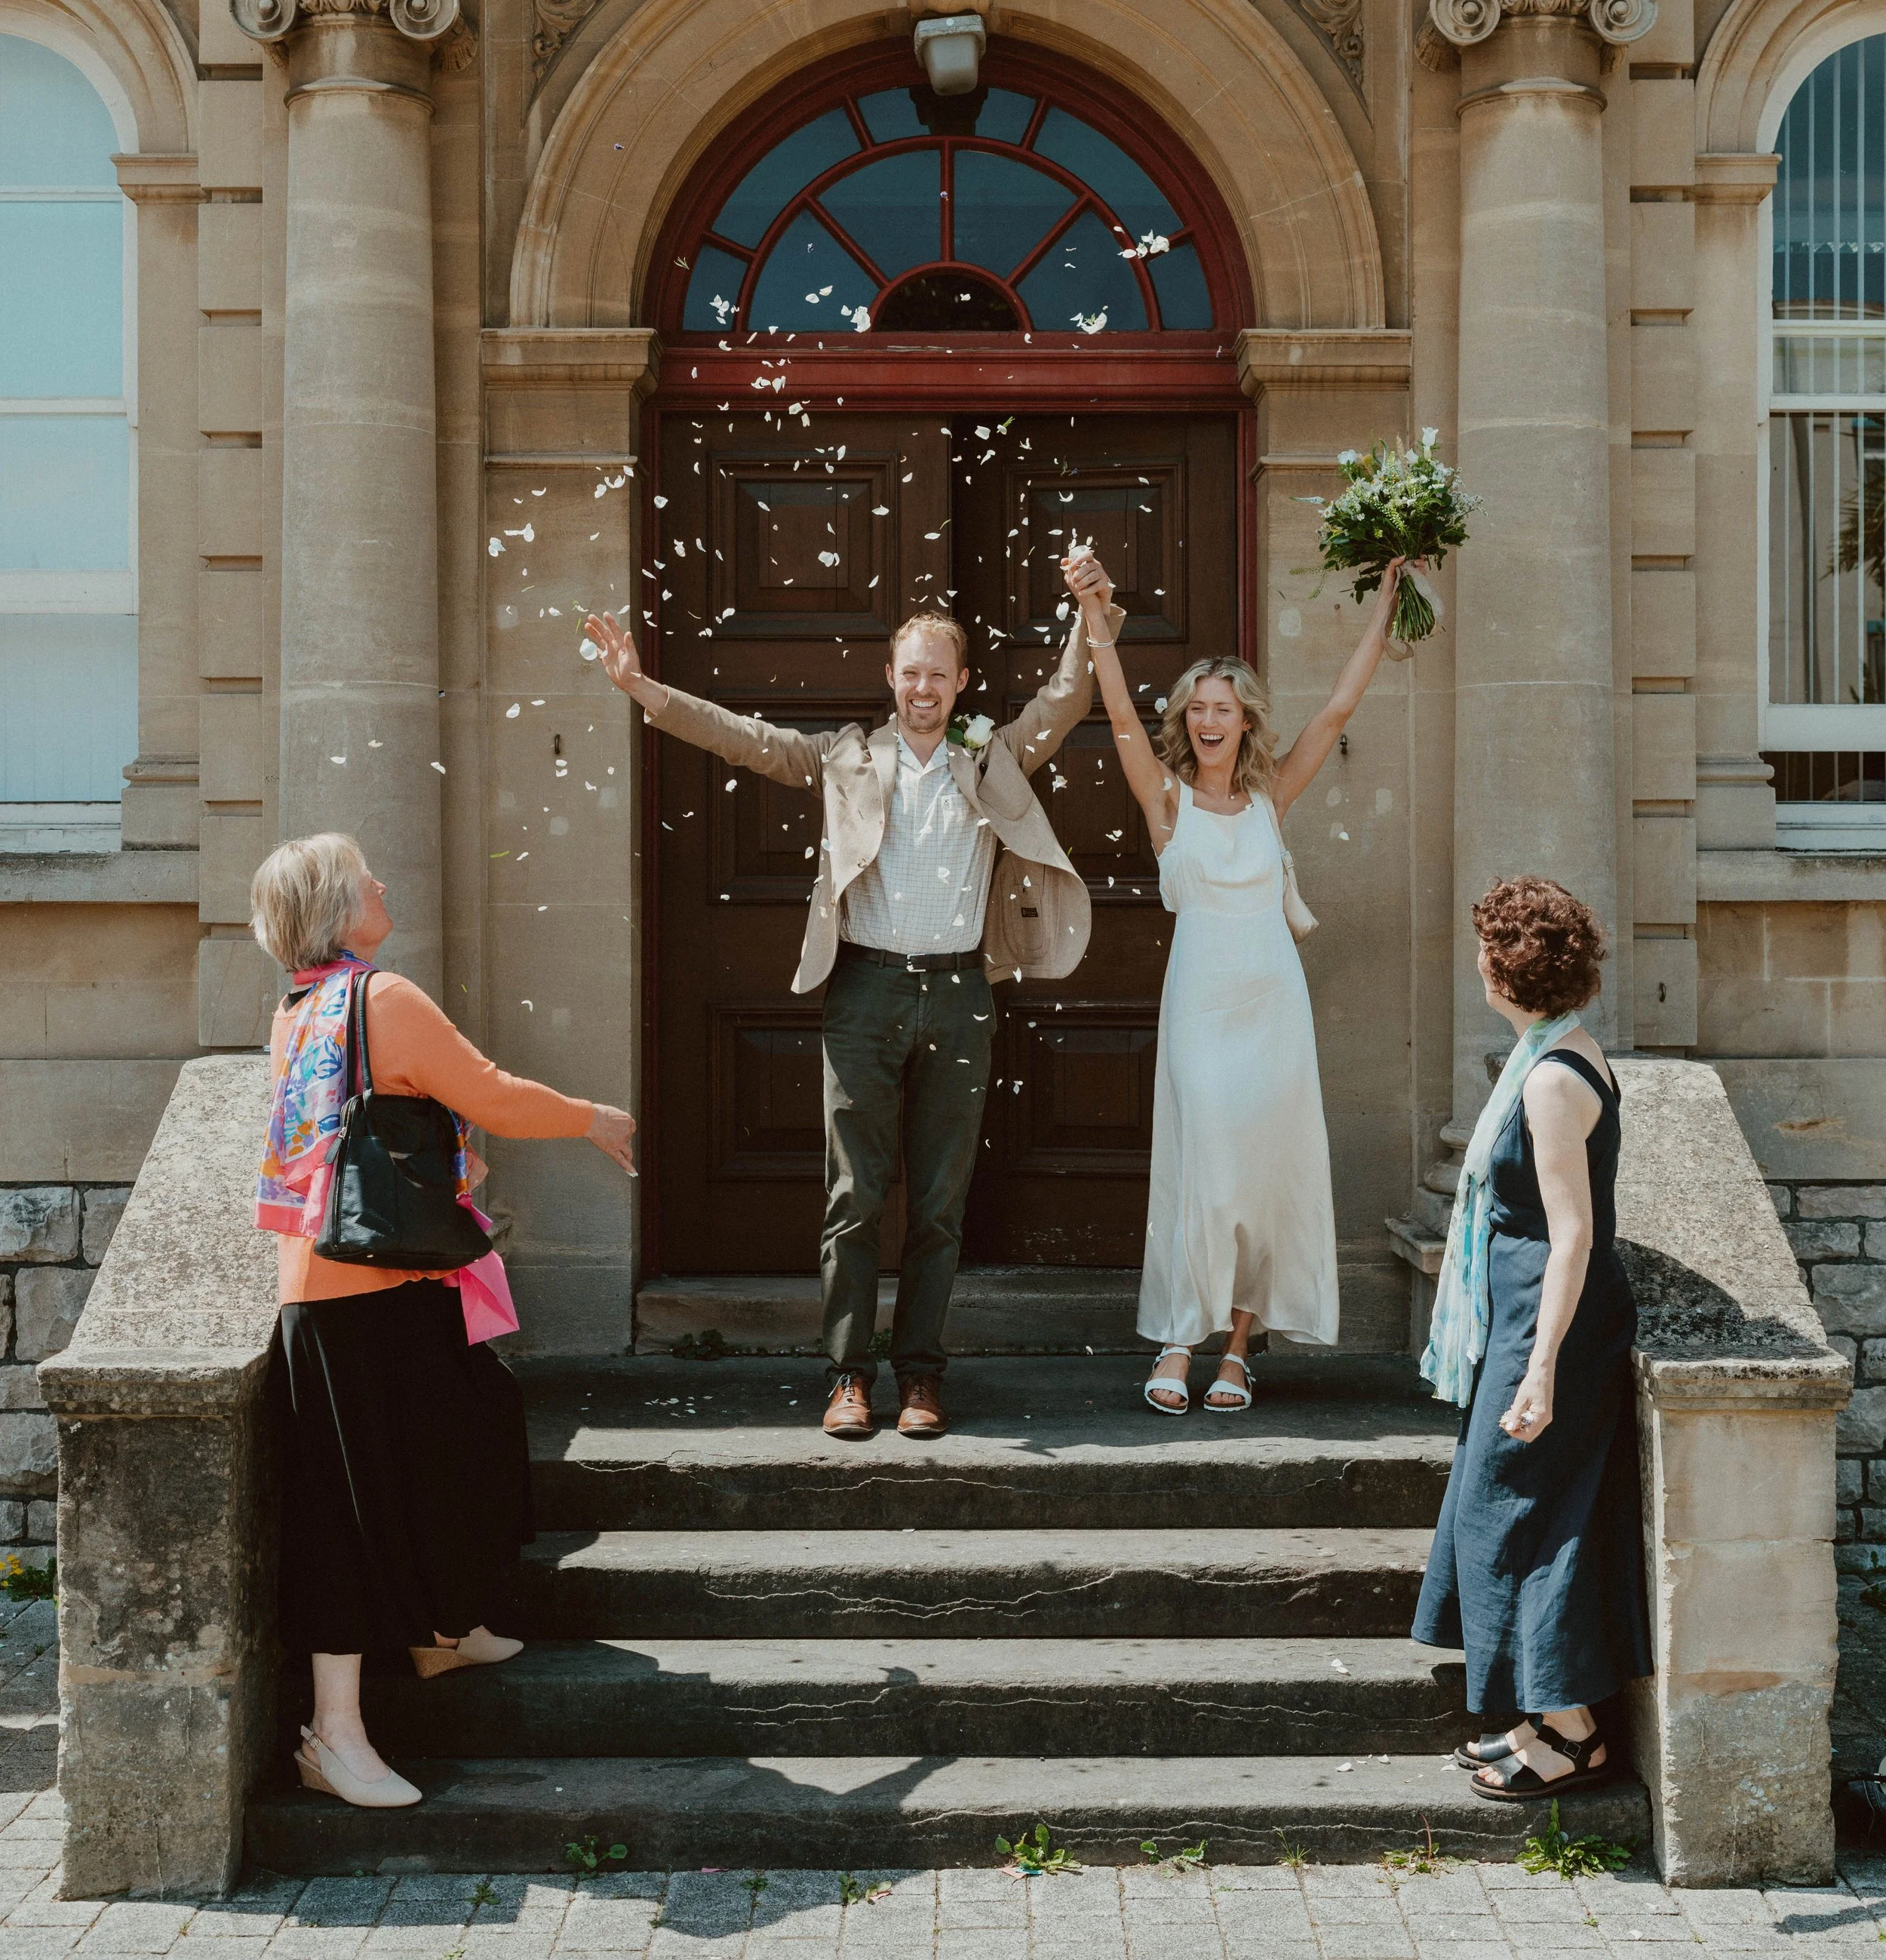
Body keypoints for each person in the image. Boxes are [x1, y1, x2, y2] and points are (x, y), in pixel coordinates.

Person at [584, 575, 1118, 1440]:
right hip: (863, 989)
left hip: (957, 994)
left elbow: (1065, 697)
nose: (922, 689)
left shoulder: (990, 753)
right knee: (853, 1197)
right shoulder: (844, 755)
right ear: (889, 676)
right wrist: (643, 688)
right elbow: (744, 739)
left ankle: (921, 1378)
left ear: (962, 681)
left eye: (938, 676)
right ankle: (847, 1376)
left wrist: (1093, 612)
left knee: (940, 1204)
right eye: (910, 673)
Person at [251, 832, 637, 1811]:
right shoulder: (380, 999)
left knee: (468, 1424)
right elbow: (491, 1097)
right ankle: (333, 1737)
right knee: (351, 1509)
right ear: (341, 909)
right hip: (366, 1291)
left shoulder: (298, 1012)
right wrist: (592, 1116)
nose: (383, 882)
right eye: (365, 876)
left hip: (343, 1291)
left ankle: (442, 1629)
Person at [1061, 548, 1410, 1414]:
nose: (1211, 719)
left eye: (1225, 708)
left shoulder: (1268, 799)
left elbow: (1334, 711)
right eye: (1199, 708)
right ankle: (1180, 1337)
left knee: (1263, 1170)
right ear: (1187, 719)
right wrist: (1095, 621)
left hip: (1273, 1005)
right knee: (1206, 1165)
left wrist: (1385, 613)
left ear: (1246, 722)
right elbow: (1117, 715)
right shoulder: (1166, 799)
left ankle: (1238, 1350)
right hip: (1201, 1005)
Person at [1412, 876, 1651, 1801]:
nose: (1476, 958)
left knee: (1528, 1512)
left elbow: (1573, 1233)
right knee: (1517, 1505)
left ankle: (1575, 1729)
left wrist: (1540, 1368)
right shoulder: (1553, 1049)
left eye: (1486, 946)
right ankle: (1540, 1712)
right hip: (1523, 1312)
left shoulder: (1552, 1079)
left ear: (1504, 968)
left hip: (1550, 1320)